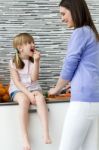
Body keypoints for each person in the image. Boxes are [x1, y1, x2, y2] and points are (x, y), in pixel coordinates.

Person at [48, 0, 99, 149]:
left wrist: (56, 89)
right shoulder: (92, 32)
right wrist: (74, 82)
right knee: (88, 147)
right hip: (94, 100)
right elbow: (89, 67)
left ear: (74, 10)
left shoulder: (80, 32)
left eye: (63, 13)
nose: (62, 18)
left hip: (83, 101)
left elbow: (70, 64)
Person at [9, 33, 51, 150]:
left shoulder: (33, 60)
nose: (33, 44)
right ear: (20, 47)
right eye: (29, 43)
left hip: (33, 87)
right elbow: (17, 82)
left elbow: (34, 78)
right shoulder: (13, 62)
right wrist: (27, 94)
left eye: (33, 42)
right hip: (18, 89)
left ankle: (46, 133)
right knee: (23, 100)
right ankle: (25, 137)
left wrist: (37, 61)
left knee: (40, 98)